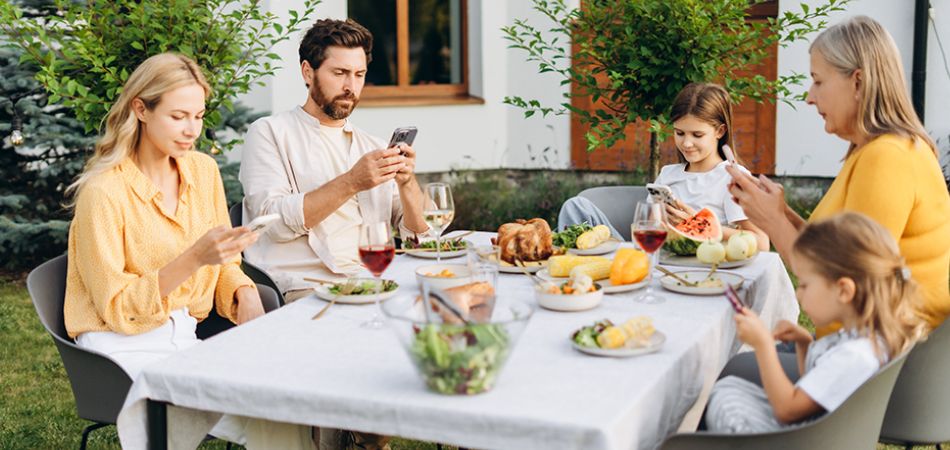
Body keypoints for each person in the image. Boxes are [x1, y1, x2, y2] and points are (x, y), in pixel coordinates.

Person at [64, 53, 316, 449]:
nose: (191, 130)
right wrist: (194, 258)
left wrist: (242, 290)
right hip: (118, 348)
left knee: (285, 401)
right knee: (262, 410)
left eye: (198, 116)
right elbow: (116, 308)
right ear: (141, 110)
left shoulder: (201, 171)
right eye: (178, 116)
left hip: (183, 336)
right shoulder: (103, 192)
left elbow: (224, 258)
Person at [726, 16, 950, 335]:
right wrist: (778, 212)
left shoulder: (888, 158)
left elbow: (842, 288)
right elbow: (832, 250)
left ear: (857, 82)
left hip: (868, 370)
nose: (809, 96)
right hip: (845, 353)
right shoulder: (868, 150)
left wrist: (774, 223)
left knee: (716, 373)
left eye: (818, 81)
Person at [240, 18, 432, 305]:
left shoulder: (374, 146)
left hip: (377, 278)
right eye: (340, 73)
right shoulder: (269, 133)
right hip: (310, 286)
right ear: (308, 71)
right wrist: (352, 182)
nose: (350, 86)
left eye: (359, 74)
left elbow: (420, 239)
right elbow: (272, 223)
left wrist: (407, 183)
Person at [705, 212, 925, 433]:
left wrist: (763, 345)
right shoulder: (865, 338)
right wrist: (804, 343)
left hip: (802, 439)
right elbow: (815, 384)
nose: (799, 294)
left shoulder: (855, 355)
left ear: (844, 291)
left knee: (724, 400)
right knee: (728, 388)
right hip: (817, 432)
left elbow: (789, 410)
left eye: (805, 285)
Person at [558, 83, 769, 251]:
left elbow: (761, 243)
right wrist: (658, 223)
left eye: (697, 135)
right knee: (575, 207)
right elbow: (646, 232)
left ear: (720, 131)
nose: (687, 143)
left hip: (700, 264)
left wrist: (699, 225)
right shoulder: (668, 174)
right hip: (653, 255)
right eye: (679, 133)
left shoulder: (732, 178)